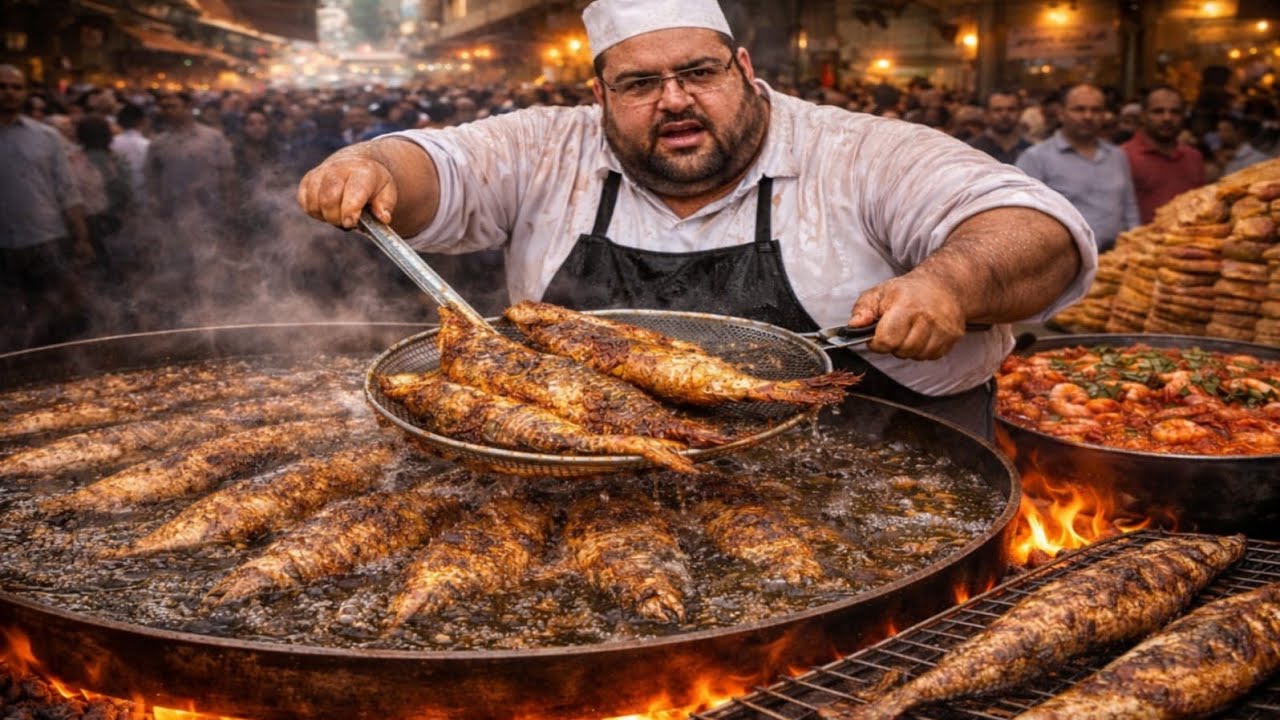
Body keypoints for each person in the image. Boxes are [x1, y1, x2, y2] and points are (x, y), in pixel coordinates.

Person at [296, 0, 1097, 437]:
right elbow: (439, 165)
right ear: (600, 96)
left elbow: (1037, 229)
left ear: (744, 71)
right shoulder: (550, 146)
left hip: (880, 456)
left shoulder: (861, 151)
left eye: (699, 73)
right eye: (640, 83)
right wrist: (371, 165)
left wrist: (951, 282)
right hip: (611, 465)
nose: (675, 99)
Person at [0, 64, 93, 351]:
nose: (9, 93)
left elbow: (67, 189)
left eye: (16, 87)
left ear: (25, 92)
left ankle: (54, 371)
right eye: (2, 87)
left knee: (54, 313)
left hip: (45, 238)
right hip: (3, 244)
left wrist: (82, 237)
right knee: (8, 317)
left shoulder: (46, 136)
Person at [1016, 84, 1139, 252]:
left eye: (1096, 110)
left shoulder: (1117, 156)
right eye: (1079, 110)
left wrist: (1135, 247)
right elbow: (1023, 217)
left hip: (1116, 262)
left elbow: (1129, 208)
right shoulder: (1036, 158)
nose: (1088, 116)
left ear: (1105, 115)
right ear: (1061, 113)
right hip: (1062, 263)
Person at [1121, 86, 1205, 224]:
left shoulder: (1194, 157)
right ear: (1143, 115)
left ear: (1184, 115)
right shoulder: (1124, 156)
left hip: (1187, 241)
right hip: (1139, 242)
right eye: (1158, 112)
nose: (1167, 118)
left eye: (1175, 112)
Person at [968, 90, 1031, 165]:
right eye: (997, 110)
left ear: (1020, 112)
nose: (1005, 114)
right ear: (986, 114)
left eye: (1011, 109)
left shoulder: (1031, 149)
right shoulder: (972, 150)